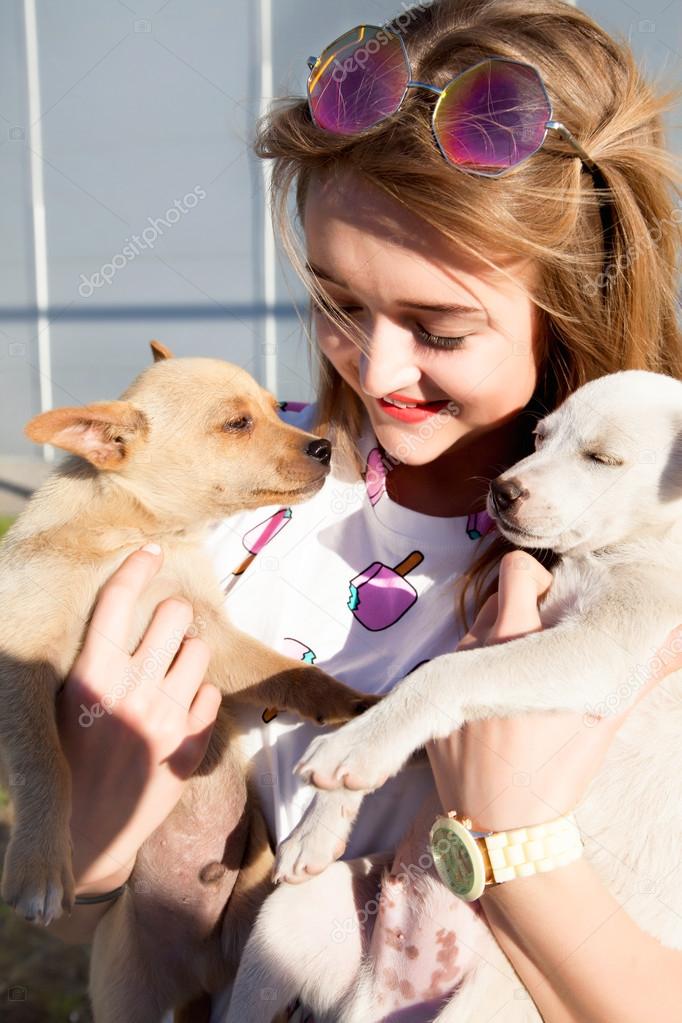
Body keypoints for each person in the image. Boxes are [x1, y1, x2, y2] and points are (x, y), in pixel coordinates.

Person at [43, 0, 682, 1019]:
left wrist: (512, 836)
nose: (378, 369)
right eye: (338, 300)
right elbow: (82, 914)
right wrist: (100, 827)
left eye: (440, 328)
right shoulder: (230, 485)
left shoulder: (634, 576)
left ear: (576, 304)